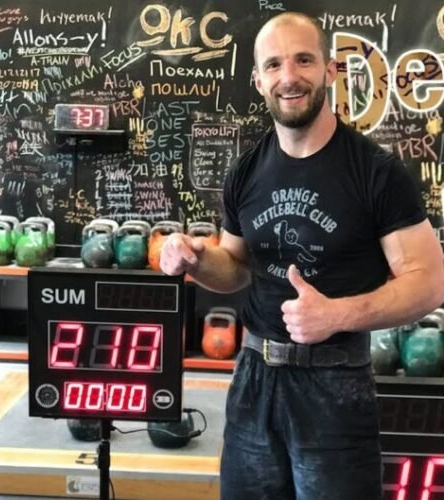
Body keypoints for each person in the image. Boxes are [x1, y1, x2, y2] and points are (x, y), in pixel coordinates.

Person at [160, 11, 444, 500]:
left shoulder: (376, 172)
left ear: (330, 70)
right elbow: (236, 267)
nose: (288, 77)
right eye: (273, 65)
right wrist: (198, 260)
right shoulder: (246, 171)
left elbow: (430, 281)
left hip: (336, 382)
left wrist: (337, 314)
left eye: (304, 60)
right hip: (253, 377)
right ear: (258, 80)